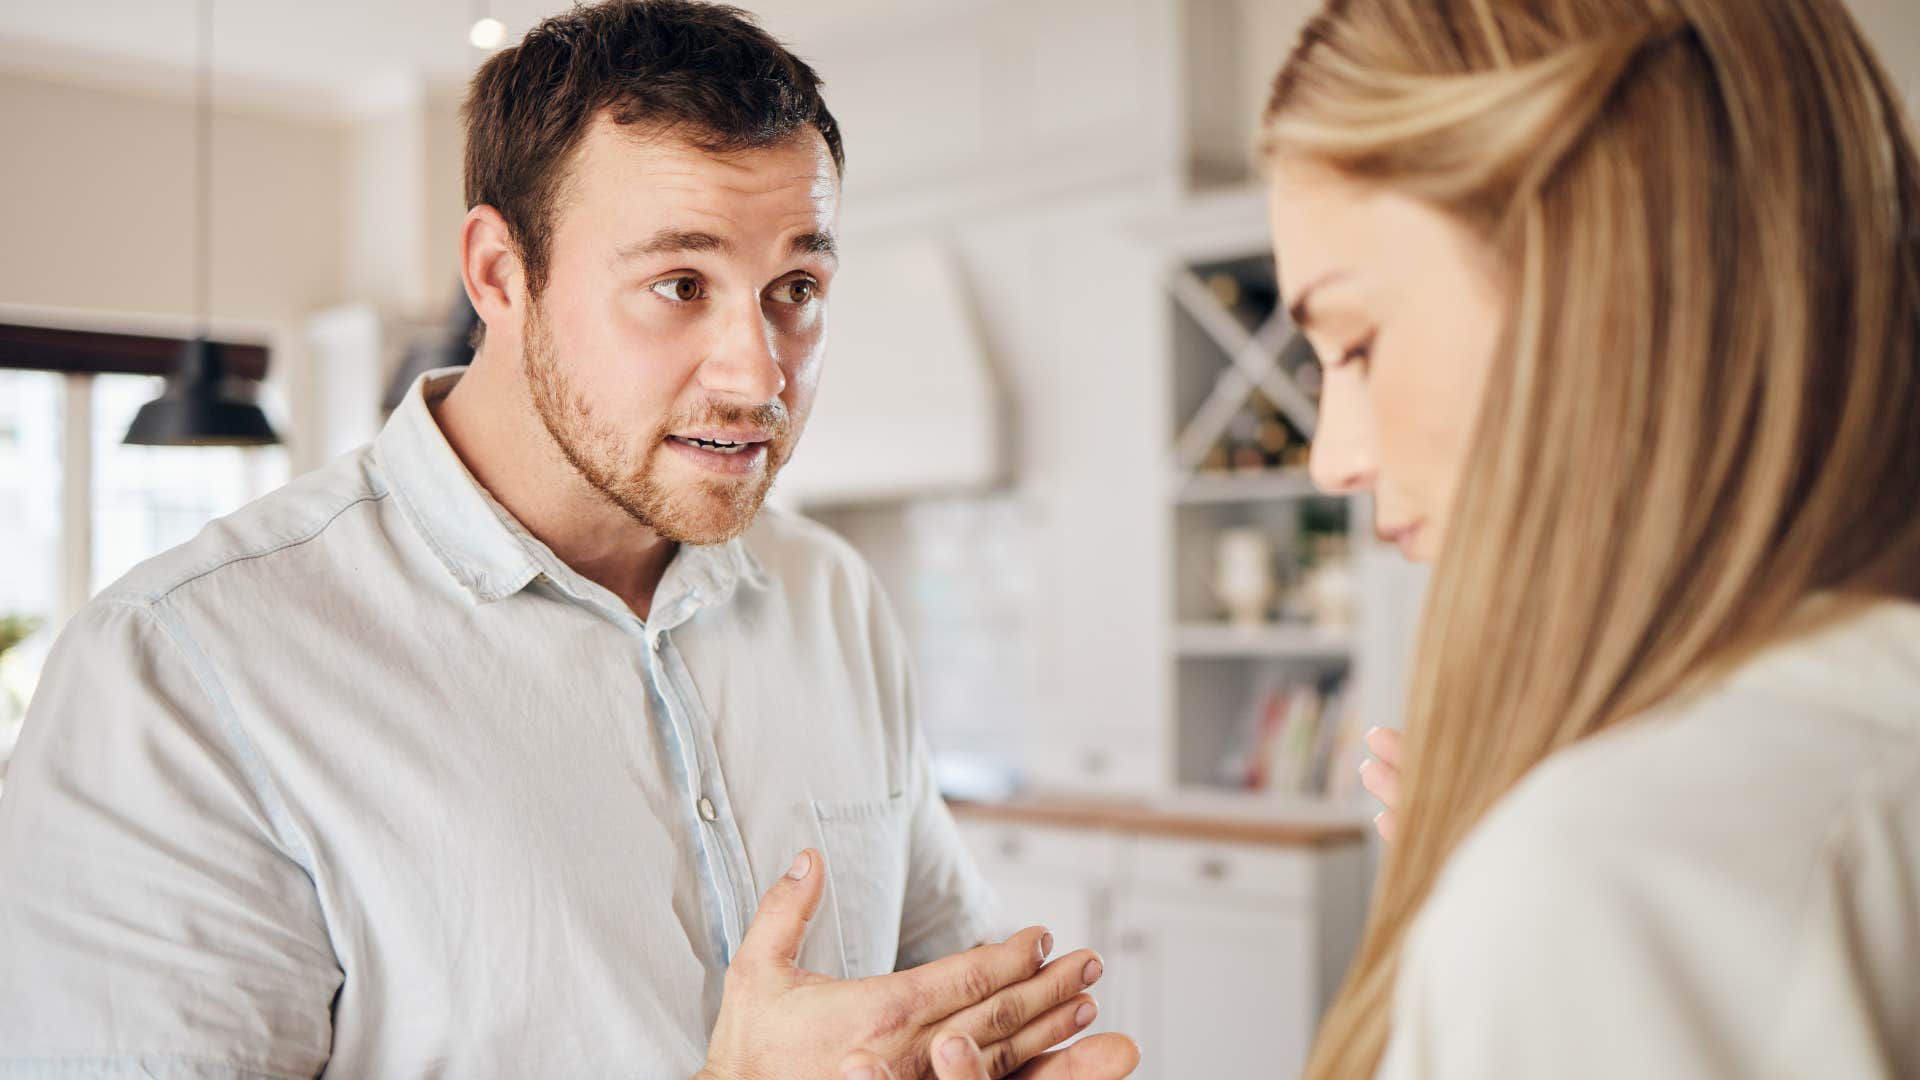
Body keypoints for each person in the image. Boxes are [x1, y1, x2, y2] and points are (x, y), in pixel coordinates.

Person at [0, 3, 1139, 1078]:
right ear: (501, 273)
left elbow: (936, 996)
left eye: (796, 285)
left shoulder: (830, 595)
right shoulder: (177, 675)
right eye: (680, 284)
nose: (758, 375)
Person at [906, 0, 1920, 1077]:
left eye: (1357, 344)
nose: (1335, 458)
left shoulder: (1608, 876)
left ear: (1589, 280)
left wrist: (1524, 894)